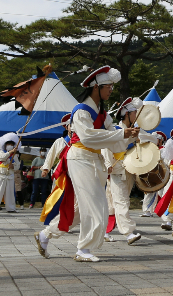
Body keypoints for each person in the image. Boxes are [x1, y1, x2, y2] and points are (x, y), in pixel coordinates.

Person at [35, 65, 138, 262]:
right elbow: (88, 137)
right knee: (96, 206)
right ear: (95, 87)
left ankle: (45, 235)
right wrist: (121, 133)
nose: (111, 90)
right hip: (80, 158)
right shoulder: (81, 111)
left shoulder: (104, 115)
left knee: (81, 210)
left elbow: (115, 141)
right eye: (108, 86)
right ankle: (83, 249)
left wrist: (130, 136)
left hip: (93, 160)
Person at [102, 97, 158, 245]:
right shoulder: (115, 130)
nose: (137, 115)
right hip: (116, 170)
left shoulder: (136, 131)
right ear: (126, 114)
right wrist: (108, 164)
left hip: (130, 170)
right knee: (121, 202)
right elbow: (105, 147)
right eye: (134, 112)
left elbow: (153, 140)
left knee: (115, 203)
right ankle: (128, 233)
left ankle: (103, 230)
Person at [141, 131, 167, 217]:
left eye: (156, 140)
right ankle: (147, 211)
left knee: (161, 193)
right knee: (149, 192)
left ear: (160, 140)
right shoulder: (149, 150)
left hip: (161, 174)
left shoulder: (163, 150)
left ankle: (162, 211)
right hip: (150, 173)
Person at [0, 134, 21, 212]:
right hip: (1, 175)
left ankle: (11, 208)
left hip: (10, 175)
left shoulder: (15, 156)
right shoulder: (2, 152)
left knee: (10, 193)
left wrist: (13, 166)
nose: (10, 146)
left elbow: (18, 165)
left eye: (11, 145)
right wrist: (10, 152)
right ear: (5, 145)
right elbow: (2, 158)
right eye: (8, 144)